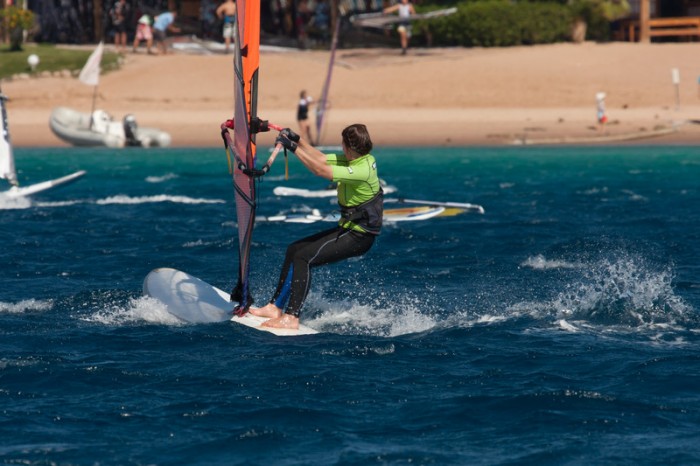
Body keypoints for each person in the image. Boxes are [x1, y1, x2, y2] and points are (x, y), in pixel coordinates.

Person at [249, 124, 383, 330]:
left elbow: (321, 170)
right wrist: (298, 140)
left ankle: (292, 317)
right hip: (348, 229)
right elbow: (321, 158)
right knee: (294, 249)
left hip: (359, 236)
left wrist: (292, 149)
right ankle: (275, 307)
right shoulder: (359, 158)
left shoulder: (361, 169)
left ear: (348, 146)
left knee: (304, 258)